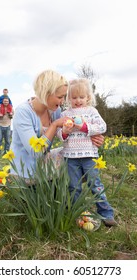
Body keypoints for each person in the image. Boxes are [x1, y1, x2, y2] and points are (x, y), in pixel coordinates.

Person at [10, 69, 104, 181]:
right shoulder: (23, 111)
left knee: (81, 155)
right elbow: (35, 152)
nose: (63, 101)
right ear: (45, 93)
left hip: (44, 162)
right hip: (25, 171)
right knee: (74, 161)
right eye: (60, 97)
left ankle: (64, 190)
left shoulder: (55, 111)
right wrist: (54, 125)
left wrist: (92, 137)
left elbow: (67, 134)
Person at [57, 78, 117, 227]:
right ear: (68, 98)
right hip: (70, 157)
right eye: (74, 97)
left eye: (81, 97)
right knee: (74, 187)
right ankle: (76, 212)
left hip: (89, 156)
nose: (78, 101)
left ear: (88, 97)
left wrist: (84, 126)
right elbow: (59, 135)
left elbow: (102, 126)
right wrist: (64, 131)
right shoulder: (65, 114)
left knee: (95, 184)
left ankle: (106, 213)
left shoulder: (91, 111)